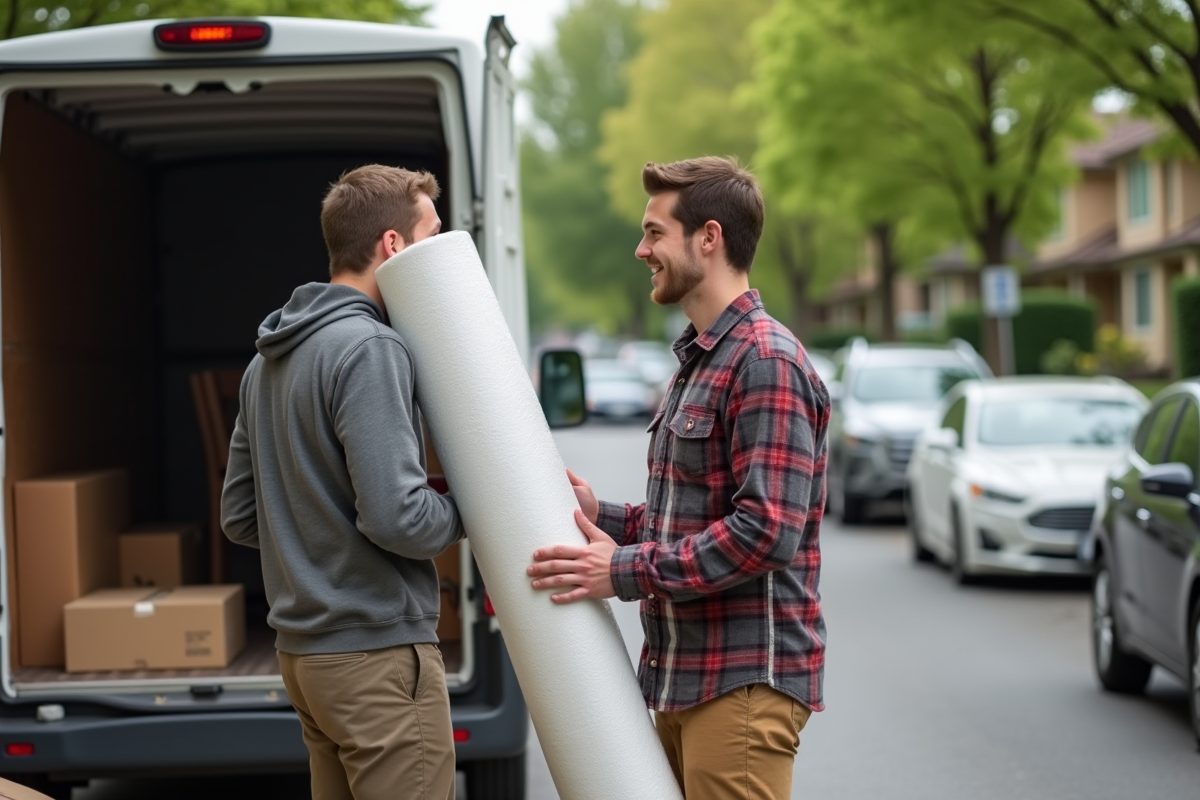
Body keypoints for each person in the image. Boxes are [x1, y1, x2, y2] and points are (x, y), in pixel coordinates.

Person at [527, 157, 828, 799]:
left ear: (709, 238)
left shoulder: (765, 361)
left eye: (655, 233)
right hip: (683, 679)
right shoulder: (701, 360)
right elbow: (689, 515)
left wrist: (623, 571)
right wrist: (597, 514)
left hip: (740, 686)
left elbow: (764, 532)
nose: (642, 250)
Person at [221, 164, 463, 800]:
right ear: (393, 245)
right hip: (376, 658)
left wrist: (312, 545)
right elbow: (397, 518)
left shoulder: (265, 363)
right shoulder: (370, 348)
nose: (441, 247)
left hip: (306, 662)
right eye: (431, 234)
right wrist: (474, 509)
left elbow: (242, 516)